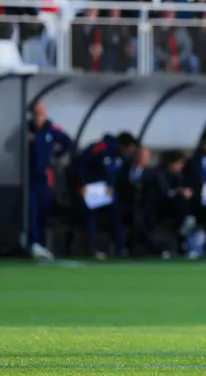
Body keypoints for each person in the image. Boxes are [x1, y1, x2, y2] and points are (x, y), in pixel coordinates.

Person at [76, 131, 138, 259]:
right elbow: (80, 166)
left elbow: (120, 176)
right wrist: (82, 185)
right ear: (123, 145)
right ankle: (89, 249)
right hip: (92, 191)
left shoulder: (121, 157)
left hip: (108, 193)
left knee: (116, 217)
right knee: (90, 218)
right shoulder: (99, 149)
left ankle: (120, 249)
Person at [25, 102, 71, 261]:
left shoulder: (51, 130)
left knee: (44, 211)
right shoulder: (26, 129)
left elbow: (67, 142)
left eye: (41, 113)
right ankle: (34, 244)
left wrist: (55, 156)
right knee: (32, 210)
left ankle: (43, 244)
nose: (38, 117)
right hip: (29, 177)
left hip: (45, 178)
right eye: (36, 114)